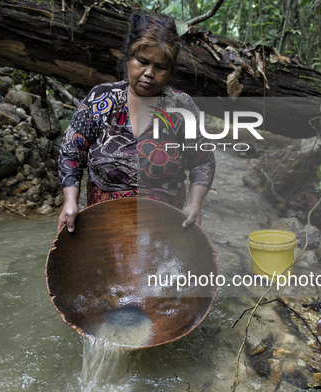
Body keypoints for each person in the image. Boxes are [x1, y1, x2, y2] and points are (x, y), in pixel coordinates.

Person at [56, 12, 216, 233]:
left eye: (160, 67)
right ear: (128, 58)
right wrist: (70, 201)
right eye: (142, 62)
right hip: (103, 223)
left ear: (170, 71)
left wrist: (194, 203)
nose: (149, 73)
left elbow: (203, 161)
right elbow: (71, 155)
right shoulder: (100, 100)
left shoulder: (182, 107)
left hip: (165, 225)